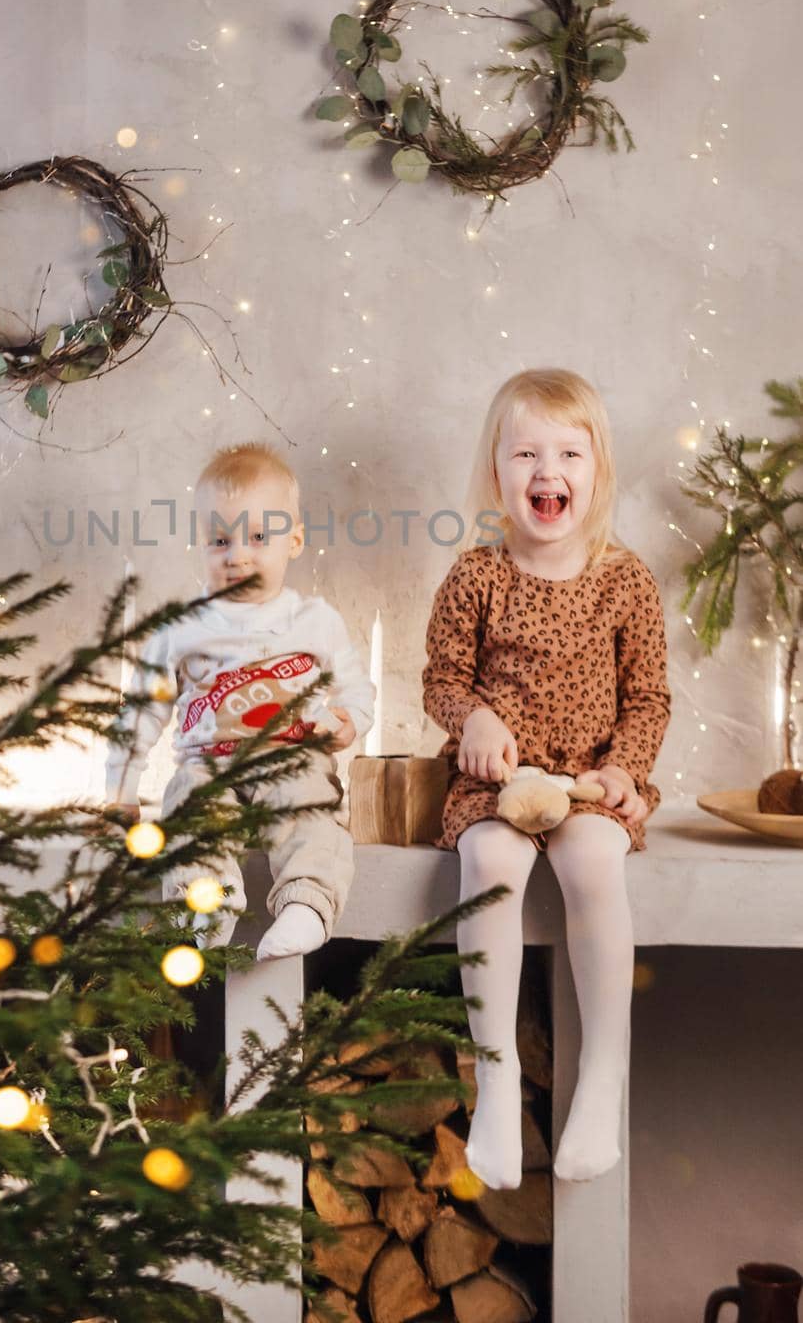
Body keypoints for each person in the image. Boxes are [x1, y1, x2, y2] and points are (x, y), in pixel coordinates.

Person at [422, 368, 671, 1186]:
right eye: (524, 452)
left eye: (568, 452)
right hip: (500, 785)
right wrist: (474, 722)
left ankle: (602, 1075)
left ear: (596, 470)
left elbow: (648, 696)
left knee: (594, 862)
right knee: (489, 864)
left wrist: (625, 770)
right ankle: (494, 1081)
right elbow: (442, 680)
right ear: (496, 469)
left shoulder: (624, 580)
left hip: (590, 787)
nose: (545, 471)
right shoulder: (476, 577)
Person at [105, 442, 375, 961]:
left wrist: (347, 722)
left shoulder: (314, 621)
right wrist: (121, 790)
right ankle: (205, 903)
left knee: (314, 812)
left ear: (294, 540)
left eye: (258, 537)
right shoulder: (183, 629)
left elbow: (355, 688)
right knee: (186, 809)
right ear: (199, 544)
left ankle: (307, 904)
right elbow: (139, 713)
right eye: (220, 540)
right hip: (209, 765)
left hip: (291, 758)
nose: (238, 555)